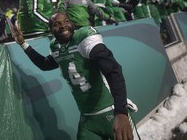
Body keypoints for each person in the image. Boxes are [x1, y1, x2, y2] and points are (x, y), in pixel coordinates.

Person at [12, 12, 133, 140]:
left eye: (66, 21)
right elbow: (44, 64)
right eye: (57, 24)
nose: (63, 26)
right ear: (51, 30)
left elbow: (113, 70)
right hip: (87, 118)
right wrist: (23, 44)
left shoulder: (84, 39)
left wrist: (121, 112)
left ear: (72, 23)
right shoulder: (57, 48)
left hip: (110, 110)